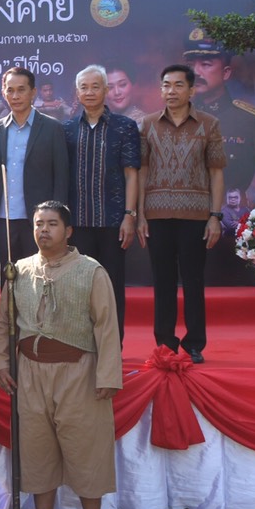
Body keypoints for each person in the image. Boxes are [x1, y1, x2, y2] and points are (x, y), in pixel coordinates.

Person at [0, 201, 122, 509]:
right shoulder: (17, 271)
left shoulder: (91, 271)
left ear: (68, 231)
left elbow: (106, 326)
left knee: (85, 445)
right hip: (30, 372)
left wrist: (108, 374)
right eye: (38, 224)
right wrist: (2, 363)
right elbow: (5, 324)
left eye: (52, 224)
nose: (44, 230)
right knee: (37, 445)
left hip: (78, 370)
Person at [136, 64, 227, 364]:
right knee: (162, 282)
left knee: (193, 280)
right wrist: (139, 214)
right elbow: (142, 171)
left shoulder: (209, 124)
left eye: (177, 85)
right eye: (165, 85)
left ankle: (195, 343)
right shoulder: (147, 124)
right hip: (157, 215)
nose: (170, 91)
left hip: (196, 217)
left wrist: (215, 215)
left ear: (192, 89)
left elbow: (216, 173)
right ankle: (165, 341)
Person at [63, 65, 141, 344]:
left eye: (96, 86)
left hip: (112, 222)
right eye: (84, 87)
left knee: (111, 287)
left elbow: (132, 174)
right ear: (77, 92)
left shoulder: (125, 127)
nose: (90, 92)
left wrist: (130, 215)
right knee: (80, 288)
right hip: (79, 223)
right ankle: (83, 344)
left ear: (106, 90)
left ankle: (112, 345)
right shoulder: (68, 129)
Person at [0, 68, 70, 270]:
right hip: (4, 221)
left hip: (39, 221)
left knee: (40, 279)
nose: (15, 96)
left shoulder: (52, 128)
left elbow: (61, 176)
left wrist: (56, 219)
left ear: (33, 92)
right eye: (10, 90)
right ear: (4, 92)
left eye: (21, 90)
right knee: (7, 283)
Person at [184, 29, 255, 207]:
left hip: (230, 219)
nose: (196, 72)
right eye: (191, 65)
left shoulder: (250, 121)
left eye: (206, 64)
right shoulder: (174, 119)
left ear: (226, 73)